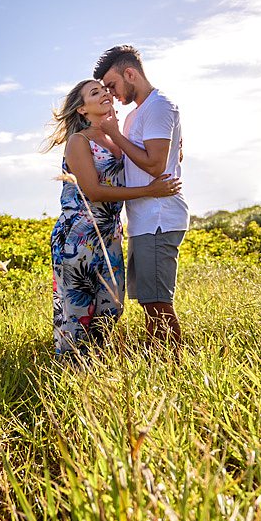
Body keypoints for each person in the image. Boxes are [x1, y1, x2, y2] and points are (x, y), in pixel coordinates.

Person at [42, 79, 181, 361]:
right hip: (79, 234)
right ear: (82, 109)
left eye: (105, 89)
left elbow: (148, 156)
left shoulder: (116, 134)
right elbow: (92, 191)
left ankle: (99, 367)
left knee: (111, 309)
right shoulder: (78, 141)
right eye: (95, 92)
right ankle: (71, 375)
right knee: (78, 311)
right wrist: (149, 191)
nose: (105, 93)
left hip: (111, 235)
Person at [94, 45, 189, 352]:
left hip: (160, 217)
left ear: (130, 74)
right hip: (143, 220)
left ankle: (174, 368)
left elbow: (154, 164)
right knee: (149, 301)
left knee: (158, 302)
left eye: (112, 85)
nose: (111, 93)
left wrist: (115, 133)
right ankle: (157, 365)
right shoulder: (136, 114)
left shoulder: (159, 106)